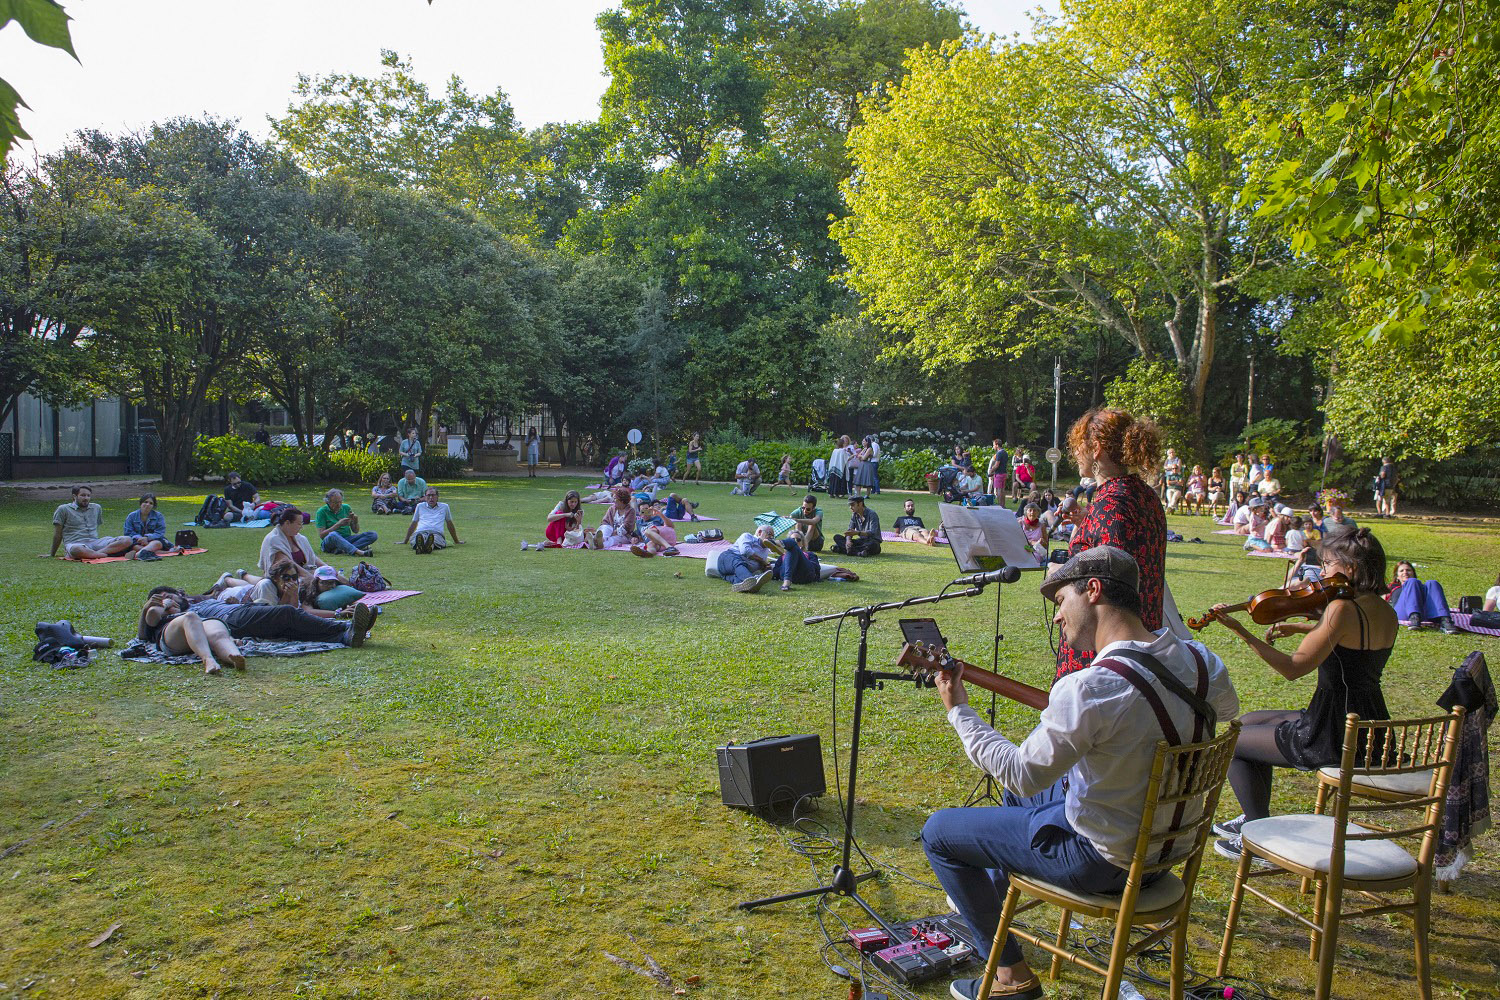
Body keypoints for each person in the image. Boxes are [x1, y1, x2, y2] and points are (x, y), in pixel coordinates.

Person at [924, 546, 1238, 1000]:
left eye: (1059, 602)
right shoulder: (1204, 664)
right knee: (1025, 801)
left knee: (939, 833)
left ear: (1092, 591)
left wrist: (959, 712)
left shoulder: (1092, 688)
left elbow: (1018, 772)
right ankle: (989, 900)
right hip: (1168, 853)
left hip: (1103, 862)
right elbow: (1227, 710)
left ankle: (1011, 979)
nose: (1057, 618)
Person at [1207, 528, 1395, 863]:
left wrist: (1241, 631)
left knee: (1234, 740)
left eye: (1327, 565)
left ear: (1349, 569)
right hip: (1369, 720)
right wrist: (1299, 627)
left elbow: (1293, 668)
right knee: (1248, 721)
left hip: (1334, 730)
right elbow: (1351, 641)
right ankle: (1255, 817)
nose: (1321, 574)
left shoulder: (1341, 609)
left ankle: (1259, 833)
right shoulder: (1383, 610)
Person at [1052, 408, 1167, 681]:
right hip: (1142, 639)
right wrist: (1086, 522)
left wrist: (1058, 572)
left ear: (1097, 448)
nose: (1075, 454)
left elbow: (1108, 585)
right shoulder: (1143, 494)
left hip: (1103, 647)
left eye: (1079, 446)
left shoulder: (1111, 503)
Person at [190, 590, 377, 647]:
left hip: (238, 615)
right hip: (233, 618)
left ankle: (346, 637)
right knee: (287, 613)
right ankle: (344, 628)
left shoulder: (203, 602)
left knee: (291, 629)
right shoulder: (189, 610)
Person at [138, 587, 246, 675]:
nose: (171, 600)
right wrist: (164, 605)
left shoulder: (192, 607)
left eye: (170, 596)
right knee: (190, 617)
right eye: (164, 598)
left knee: (217, 633)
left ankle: (233, 656)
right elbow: (152, 616)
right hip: (174, 634)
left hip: (200, 626)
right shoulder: (159, 612)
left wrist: (231, 638)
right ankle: (208, 659)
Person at [47, 486, 137, 560]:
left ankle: (97, 554)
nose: (86, 498)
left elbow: (95, 527)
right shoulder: (63, 509)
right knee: (76, 550)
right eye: (82, 495)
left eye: (88, 495)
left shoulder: (96, 508)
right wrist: (52, 554)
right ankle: (110, 555)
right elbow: (57, 534)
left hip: (95, 542)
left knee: (127, 539)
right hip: (76, 543)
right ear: (74, 496)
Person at [773, 528, 859, 591]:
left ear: (803, 542)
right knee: (791, 551)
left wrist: (799, 558)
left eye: (798, 540)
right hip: (789, 575)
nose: (796, 541)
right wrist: (790, 562)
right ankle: (787, 581)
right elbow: (776, 571)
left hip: (804, 574)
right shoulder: (783, 556)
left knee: (794, 547)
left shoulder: (810, 554)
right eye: (793, 539)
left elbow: (815, 569)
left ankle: (776, 542)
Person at [257, 507, 328, 581]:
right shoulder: (273, 540)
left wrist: (328, 569)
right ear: (287, 523)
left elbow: (313, 557)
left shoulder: (300, 538)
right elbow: (289, 564)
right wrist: (313, 579)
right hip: (285, 580)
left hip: (305, 574)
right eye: (299, 524)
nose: (301, 527)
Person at [1386, 560, 1458, 633]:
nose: (1405, 572)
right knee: (1412, 582)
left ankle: (1445, 620)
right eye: (1401, 571)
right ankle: (1414, 617)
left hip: (1423, 614)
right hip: (1401, 613)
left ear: (1413, 573)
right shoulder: (1392, 587)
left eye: (1408, 570)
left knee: (1432, 583)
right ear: (1397, 576)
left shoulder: (1420, 587)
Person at [715, 525, 784, 593]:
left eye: (772, 536)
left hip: (735, 572)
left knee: (743, 582)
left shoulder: (766, 551)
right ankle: (754, 580)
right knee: (739, 563)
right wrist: (762, 561)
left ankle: (748, 587)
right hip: (728, 559)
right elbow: (745, 551)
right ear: (760, 532)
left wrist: (766, 568)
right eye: (769, 534)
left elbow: (760, 566)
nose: (771, 538)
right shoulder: (747, 536)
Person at [314, 488, 378, 556]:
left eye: (340, 502)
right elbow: (322, 535)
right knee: (333, 534)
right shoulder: (321, 512)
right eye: (335, 503)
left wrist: (355, 522)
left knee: (373, 534)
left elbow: (355, 531)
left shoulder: (346, 507)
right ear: (328, 502)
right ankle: (359, 552)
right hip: (330, 542)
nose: (339, 505)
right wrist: (338, 525)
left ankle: (342, 549)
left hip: (347, 539)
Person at [404, 486, 463, 552]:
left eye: (433, 495)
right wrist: (405, 541)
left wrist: (456, 541)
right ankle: (425, 547)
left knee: (434, 540)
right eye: (428, 495)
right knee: (418, 538)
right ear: (425, 497)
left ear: (437, 496)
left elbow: (449, 524)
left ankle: (423, 547)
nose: (431, 498)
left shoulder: (444, 507)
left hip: (437, 533)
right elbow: (414, 523)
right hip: (420, 532)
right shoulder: (420, 506)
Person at [122, 494, 174, 560]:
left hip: (154, 540)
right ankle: (167, 552)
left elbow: (160, 533)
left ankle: (137, 554)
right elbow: (128, 532)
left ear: (153, 506)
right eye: (145, 502)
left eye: (151, 503)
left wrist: (147, 538)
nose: (147, 504)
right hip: (138, 542)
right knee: (135, 547)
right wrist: (140, 539)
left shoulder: (158, 516)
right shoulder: (131, 516)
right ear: (141, 503)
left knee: (157, 543)